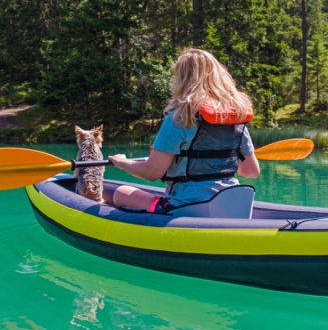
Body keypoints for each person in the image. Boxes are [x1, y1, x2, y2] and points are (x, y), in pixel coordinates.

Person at [107, 49, 260, 212]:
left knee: (121, 193)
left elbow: (151, 172)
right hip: (231, 204)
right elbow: (251, 171)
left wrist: (122, 162)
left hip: (188, 207)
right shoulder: (235, 118)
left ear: (182, 80)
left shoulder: (179, 118)